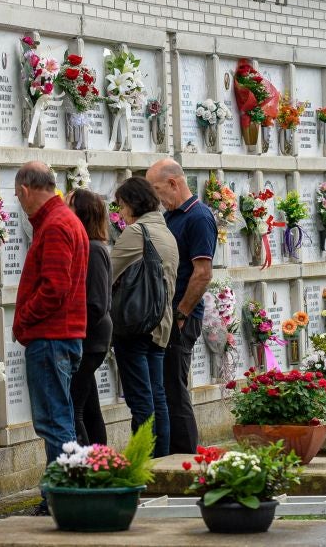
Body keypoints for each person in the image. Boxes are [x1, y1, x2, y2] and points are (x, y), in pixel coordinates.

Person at [11, 161, 88, 515]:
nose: (19, 202)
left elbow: (55, 288)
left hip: (51, 337)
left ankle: (62, 497)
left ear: (26, 190)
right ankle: (64, 493)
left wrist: (23, 319)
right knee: (61, 418)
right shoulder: (64, 220)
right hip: (62, 336)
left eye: (18, 196)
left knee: (53, 421)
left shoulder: (56, 225)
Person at [145, 158, 216, 454]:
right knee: (165, 388)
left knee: (174, 389)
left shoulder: (198, 217)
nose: (157, 198)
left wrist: (181, 312)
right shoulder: (172, 215)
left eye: (157, 190)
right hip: (169, 315)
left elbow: (203, 273)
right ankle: (172, 454)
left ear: (173, 183)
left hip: (181, 316)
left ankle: (186, 458)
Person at [109, 176, 179, 457]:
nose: (121, 212)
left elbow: (108, 273)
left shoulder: (137, 232)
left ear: (132, 203)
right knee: (157, 397)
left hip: (135, 325)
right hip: (160, 325)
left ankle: (144, 463)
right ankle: (162, 462)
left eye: (121, 205)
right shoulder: (166, 232)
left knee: (140, 401)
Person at [65, 188, 111, 446]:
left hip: (90, 339)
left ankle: (83, 463)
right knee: (90, 407)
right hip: (89, 338)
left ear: (81, 213)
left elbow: (96, 303)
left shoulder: (93, 249)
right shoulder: (90, 246)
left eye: (68, 206)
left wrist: (71, 329)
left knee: (75, 408)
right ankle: (101, 458)